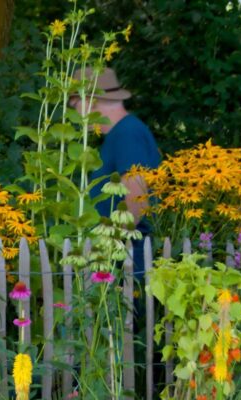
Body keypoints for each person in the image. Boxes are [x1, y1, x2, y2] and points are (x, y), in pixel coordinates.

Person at [69, 67, 160, 275]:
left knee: (128, 308)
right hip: (122, 255)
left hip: (127, 258)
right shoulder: (122, 132)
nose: (76, 113)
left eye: (75, 104)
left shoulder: (127, 133)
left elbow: (138, 196)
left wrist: (111, 246)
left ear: (90, 101)